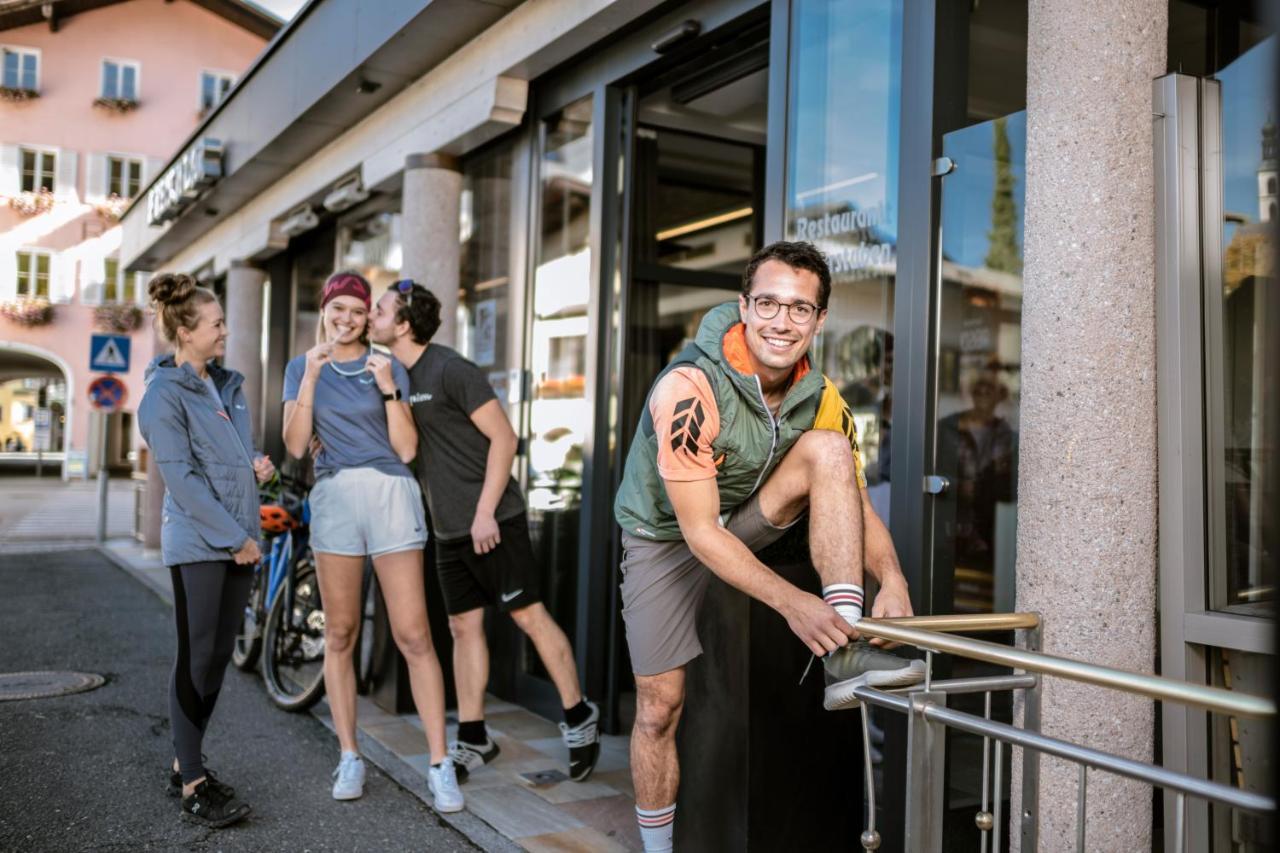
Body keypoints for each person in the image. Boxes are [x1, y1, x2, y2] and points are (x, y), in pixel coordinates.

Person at [613, 241, 924, 851]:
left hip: (744, 518)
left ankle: (846, 653)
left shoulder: (822, 395)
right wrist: (794, 603)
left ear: (819, 320)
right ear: (744, 306)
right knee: (659, 707)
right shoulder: (689, 387)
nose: (782, 322)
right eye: (769, 303)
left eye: (800, 309)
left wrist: (893, 579)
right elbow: (700, 533)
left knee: (830, 450)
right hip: (666, 536)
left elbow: (854, 499)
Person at [367, 280, 601, 782]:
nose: (372, 315)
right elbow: (405, 449)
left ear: (403, 323)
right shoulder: (397, 378)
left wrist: (485, 512)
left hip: (495, 521)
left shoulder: (451, 369)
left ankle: (579, 715)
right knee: (462, 628)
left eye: (380, 309)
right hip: (450, 530)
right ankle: (474, 736)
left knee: (528, 617)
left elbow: (506, 437)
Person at [281, 271, 463, 813]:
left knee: (413, 634)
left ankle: (439, 762)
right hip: (335, 495)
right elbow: (294, 446)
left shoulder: (391, 367)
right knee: (339, 633)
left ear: (367, 318)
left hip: (390, 493)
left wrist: (387, 388)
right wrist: (311, 378)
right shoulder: (301, 366)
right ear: (325, 310)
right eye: (337, 309)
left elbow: (406, 449)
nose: (347, 319)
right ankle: (350, 754)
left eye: (357, 311)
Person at [138, 273, 276, 828]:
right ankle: (193, 782)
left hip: (237, 540)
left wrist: (254, 468)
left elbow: (221, 462)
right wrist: (237, 538)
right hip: (202, 542)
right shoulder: (162, 396)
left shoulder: (224, 385)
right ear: (185, 330)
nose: (225, 331)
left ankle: (184, 761)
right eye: (216, 323)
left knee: (219, 656)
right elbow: (185, 482)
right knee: (195, 656)